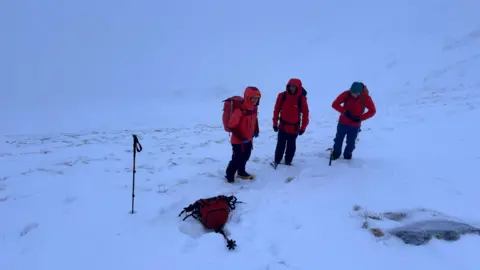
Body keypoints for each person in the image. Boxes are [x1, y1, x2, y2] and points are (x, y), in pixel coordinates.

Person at [331, 81, 376, 160]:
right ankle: (336, 154)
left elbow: (372, 111)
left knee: (351, 143)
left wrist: (360, 118)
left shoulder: (365, 98)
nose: (353, 95)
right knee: (338, 140)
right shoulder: (346, 94)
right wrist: (344, 112)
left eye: (355, 93)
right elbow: (334, 104)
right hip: (343, 122)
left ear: (360, 92)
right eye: (352, 92)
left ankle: (347, 156)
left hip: (355, 125)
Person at [225, 86, 261, 183]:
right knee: (237, 159)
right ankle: (229, 176)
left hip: (248, 139)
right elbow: (232, 126)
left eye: (257, 98)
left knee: (246, 156)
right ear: (247, 97)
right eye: (253, 98)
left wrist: (256, 130)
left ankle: (241, 172)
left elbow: (255, 119)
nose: (255, 100)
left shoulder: (254, 108)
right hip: (238, 141)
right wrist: (241, 137)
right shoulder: (239, 110)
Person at [271, 78, 309, 168]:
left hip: (294, 128)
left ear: (298, 87)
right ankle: (277, 160)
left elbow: (306, 114)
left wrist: (303, 127)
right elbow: (276, 110)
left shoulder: (301, 99)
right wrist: (275, 123)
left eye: (294, 87)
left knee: (291, 147)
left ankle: (288, 161)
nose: (291, 88)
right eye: (290, 86)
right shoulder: (282, 96)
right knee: (280, 145)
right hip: (283, 127)